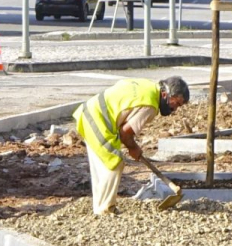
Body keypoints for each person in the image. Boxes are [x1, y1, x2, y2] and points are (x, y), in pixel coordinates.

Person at [70, 76, 189, 214]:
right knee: (114, 162)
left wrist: (132, 145)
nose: (174, 109)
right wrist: (133, 148)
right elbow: (125, 133)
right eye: (176, 104)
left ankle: (100, 207)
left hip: (89, 112)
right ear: (165, 94)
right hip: (98, 120)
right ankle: (105, 210)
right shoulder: (150, 105)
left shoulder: (148, 86)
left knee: (102, 165)